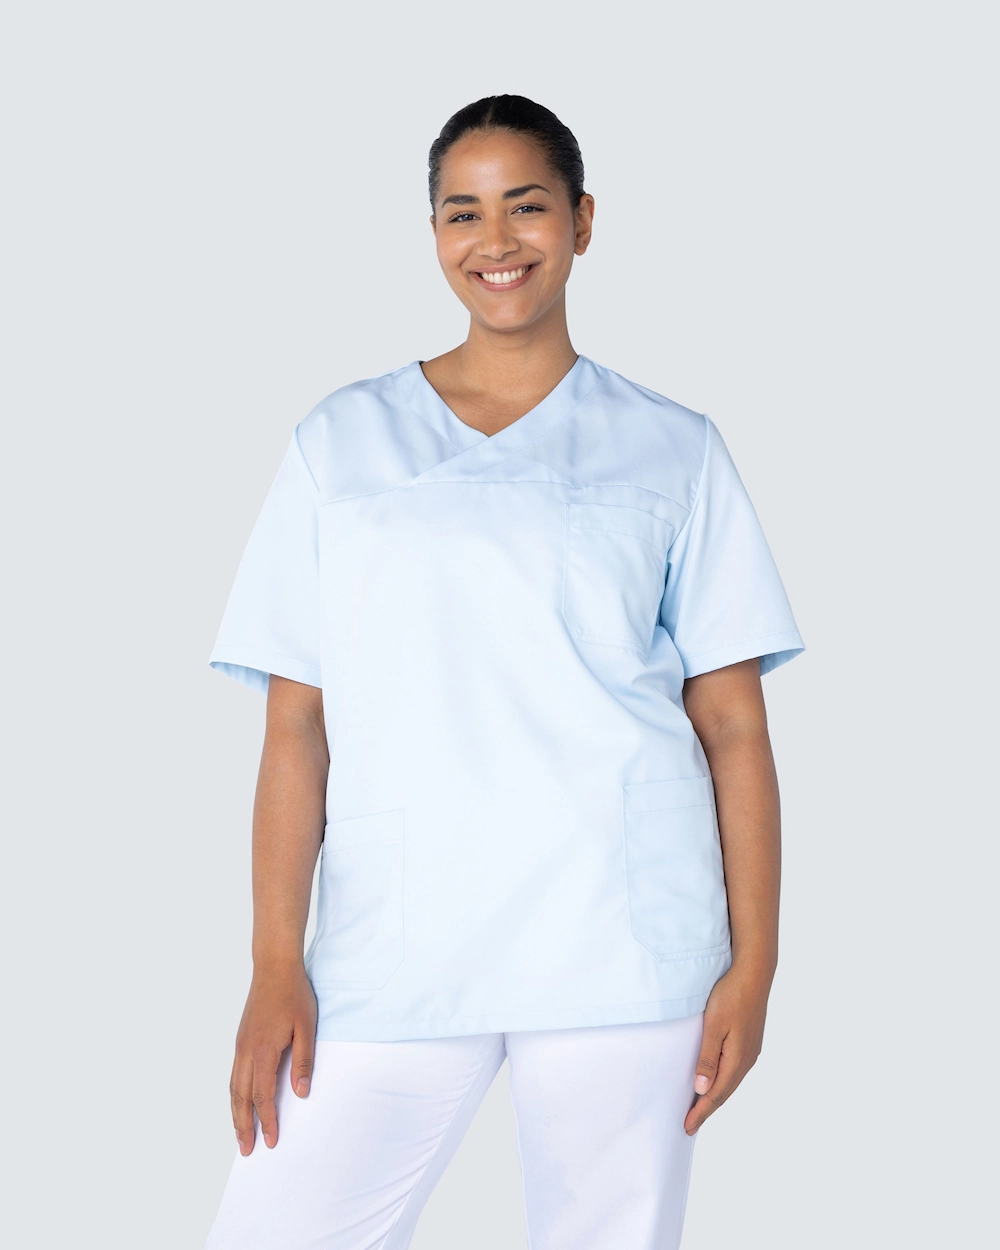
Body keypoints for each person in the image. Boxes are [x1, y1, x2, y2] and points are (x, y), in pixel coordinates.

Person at [205, 94, 803, 1250]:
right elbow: (296, 727)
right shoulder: (341, 440)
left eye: (525, 206)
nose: (495, 240)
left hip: (621, 940)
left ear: (582, 221)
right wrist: (276, 960)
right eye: (461, 212)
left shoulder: (675, 446)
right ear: (432, 232)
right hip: (394, 941)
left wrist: (757, 962)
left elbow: (734, 726)